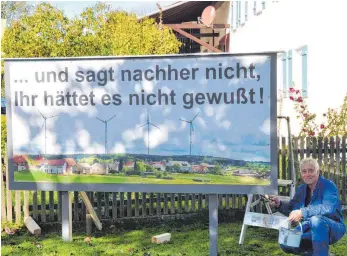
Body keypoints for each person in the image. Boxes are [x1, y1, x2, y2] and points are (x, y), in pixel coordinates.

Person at [269, 157, 346, 256]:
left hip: (333, 227)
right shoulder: (301, 189)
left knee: (316, 220)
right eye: (304, 171)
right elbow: (292, 209)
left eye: (311, 170)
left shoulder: (328, 186)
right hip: (308, 227)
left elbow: (328, 208)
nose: (307, 174)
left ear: (318, 171)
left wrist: (302, 212)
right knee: (285, 241)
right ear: (301, 174)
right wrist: (279, 204)